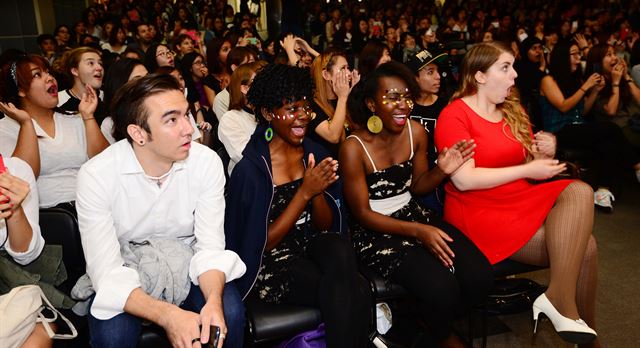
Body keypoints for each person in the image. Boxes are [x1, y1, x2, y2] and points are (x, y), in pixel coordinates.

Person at [435, 42, 599, 347]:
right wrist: (527, 171)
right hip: (477, 213)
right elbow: (465, 180)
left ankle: (562, 305)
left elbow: (530, 165)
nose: (514, 77)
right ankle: (578, 328)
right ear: (480, 76)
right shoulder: (454, 116)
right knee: (586, 247)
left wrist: (542, 151)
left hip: (517, 201)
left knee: (579, 191)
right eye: (505, 68)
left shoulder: (512, 109)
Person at [76, 74, 246, 348]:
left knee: (230, 314)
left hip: (187, 257)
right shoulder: (97, 175)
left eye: (186, 114)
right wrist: (169, 316)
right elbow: (106, 270)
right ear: (138, 134)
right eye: (171, 120)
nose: (188, 129)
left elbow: (210, 246)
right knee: (113, 336)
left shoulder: (206, 162)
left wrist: (213, 303)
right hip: (127, 262)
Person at [340, 61, 492, 348]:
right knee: (441, 287)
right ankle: (440, 333)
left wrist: (442, 170)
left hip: (413, 214)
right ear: (372, 104)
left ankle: (425, 323)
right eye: (392, 97)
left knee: (479, 276)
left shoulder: (417, 132)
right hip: (374, 230)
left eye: (407, 96)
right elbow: (361, 214)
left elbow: (419, 185)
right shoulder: (353, 147)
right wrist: (419, 232)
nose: (403, 104)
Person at [225, 63, 371, 348]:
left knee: (339, 249)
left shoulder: (313, 152)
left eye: (306, 108)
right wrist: (305, 192)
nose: (302, 117)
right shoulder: (252, 170)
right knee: (358, 290)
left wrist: (317, 192)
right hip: (270, 264)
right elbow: (261, 244)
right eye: (292, 109)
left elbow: (325, 226)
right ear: (268, 114)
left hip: (307, 247)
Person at [539, 42, 640, 211]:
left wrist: (594, 92)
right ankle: (637, 165)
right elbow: (563, 106)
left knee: (608, 142)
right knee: (610, 128)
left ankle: (602, 192)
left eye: (579, 54)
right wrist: (585, 86)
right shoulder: (548, 80)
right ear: (563, 58)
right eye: (574, 54)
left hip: (578, 127)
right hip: (559, 130)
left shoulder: (574, 79)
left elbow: (584, 111)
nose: (579, 58)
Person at [0, 53, 108, 209]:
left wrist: (88, 117)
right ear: (21, 90)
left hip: (92, 205)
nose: (49, 78)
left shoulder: (75, 118)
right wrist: (26, 124)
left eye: (48, 72)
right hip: (49, 216)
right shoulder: (6, 128)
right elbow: (22, 178)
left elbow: (103, 163)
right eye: (37, 74)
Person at [0, 156, 54, 348]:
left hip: (15, 282)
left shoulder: (14, 170)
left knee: (38, 338)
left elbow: (27, 255)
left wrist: (14, 210)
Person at [586, 43, 640, 148]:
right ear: (598, 62)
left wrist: (626, 77)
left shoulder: (623, 78)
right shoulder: (596, 83)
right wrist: (615, 83)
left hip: (636, 122)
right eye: (609, 55)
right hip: (620, 131)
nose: (614, 58)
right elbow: (611, 111)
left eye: (614, 53)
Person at [218, 61, 266, 174]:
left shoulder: (271, 111)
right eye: (261, 82)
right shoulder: (230, 119)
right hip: (250, 179)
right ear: (245, 89)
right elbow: (245, 156)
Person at [309, 49, 360, 150]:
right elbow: (333, 136)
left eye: (348, 68)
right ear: (326, 75)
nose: (349, 73)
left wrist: (349, 94)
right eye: (342, 68)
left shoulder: (345, 98)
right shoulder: (312, 106)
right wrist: (342, 98)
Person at [57, 47, 108, 125]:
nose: (99, 68)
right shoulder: (58, 101)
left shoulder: (109, 98)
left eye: (100, 63)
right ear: (75, 71)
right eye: (91, 63)